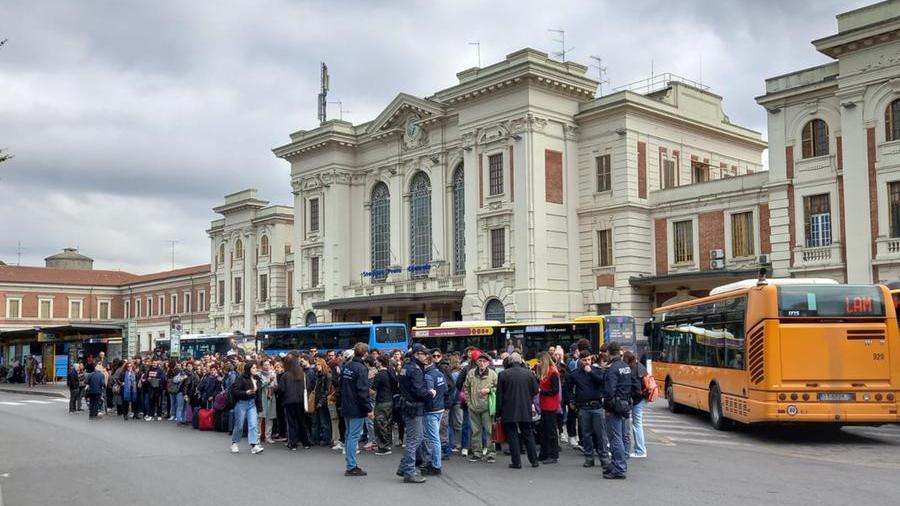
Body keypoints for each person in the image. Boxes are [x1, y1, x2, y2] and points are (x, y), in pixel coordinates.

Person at [397, 344, 436, 483]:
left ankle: (404, 468)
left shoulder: (406, 367)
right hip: (414, 407)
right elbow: (418, 391)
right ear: (416, 354)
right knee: (415, 440)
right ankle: (409, 472)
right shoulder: (415, 369)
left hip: (407, 406)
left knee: (414, 439)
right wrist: (430, 393)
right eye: (424, 354)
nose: (427, 356)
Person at [496, 352, 540, 469]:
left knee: (512, 435)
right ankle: (534, 461)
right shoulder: (529, 374)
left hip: (509, 409)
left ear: (509, 362)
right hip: (525, 408)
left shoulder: (503, 374)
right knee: (528, 433)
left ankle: (516, 462)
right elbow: (535, 391)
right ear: (521, 361)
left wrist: (498, 413)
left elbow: (499, 396)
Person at [568, 350, 609, 468]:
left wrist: (591, 372)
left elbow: (602, 382)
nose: (587, 362)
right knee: (586, 435)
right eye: (584, 360)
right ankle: (589, 457)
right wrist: (571, 401)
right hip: (583, 407)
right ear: (580, 360)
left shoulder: (598, 371)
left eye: (589, 360)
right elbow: (568, 388)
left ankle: (603, 457)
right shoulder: (575, 374)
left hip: (597, 406)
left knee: (601, 434)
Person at [602, 342, 637, 479]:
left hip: (615, 406)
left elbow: (609, 391)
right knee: (622, 436)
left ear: (609, 352)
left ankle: (619, 467)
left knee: (615, 438)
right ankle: (616, 464)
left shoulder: (612, 369)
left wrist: (608, 408)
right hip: (625, 404)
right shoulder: (625, 366)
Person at [341, 343, 373, 477]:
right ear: (365, 354)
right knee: (354, 436)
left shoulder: (346, 366)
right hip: (356, 407)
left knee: (349, 435)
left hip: (346, 405)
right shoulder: (361, 368)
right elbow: (362, 391)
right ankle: (351, 466)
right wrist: (369, 409)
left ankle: (350, 463)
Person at [464, 351, 498, 464]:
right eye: (480, 361)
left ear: (488, 363)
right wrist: (469, 402)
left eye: (484, 361)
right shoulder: (471, 373)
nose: (482, 363)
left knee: (489, 431)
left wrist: (489, 390)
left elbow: (498, 389)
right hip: (473, 407)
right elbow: (466, 388)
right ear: (477, 362)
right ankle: (477, 453)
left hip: (487, 408)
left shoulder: (493, 374)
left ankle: (491, 453)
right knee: (475, 431)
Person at [420, 351, 448, 475]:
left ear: (427, 362)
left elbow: (429, 392)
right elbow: (446, 389)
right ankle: (433, 462)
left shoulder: (428, 375)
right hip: (439, 408)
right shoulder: (439, 373)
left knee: (433, 438)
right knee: (433, 437)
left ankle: (436, 465)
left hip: (431, 409)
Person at [278, 354, 313, 451]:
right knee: (303, 422)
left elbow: (281, 389)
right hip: (302, 401)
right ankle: (306, 442)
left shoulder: (285, 375)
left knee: (291, 423)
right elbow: (309, 387)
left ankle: (293, 443)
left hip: (289, 401)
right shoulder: (303, 375)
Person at [229, 361, 264, 454]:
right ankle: (234, 443)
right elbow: (234, 391)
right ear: (248, 369)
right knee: (239, 425)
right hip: (241, 403)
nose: (255, 369)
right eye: (253, 368)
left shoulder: (258, 379)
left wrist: (259, 406)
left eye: (256, 367)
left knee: (253, 424)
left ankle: (254, 445)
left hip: (252, 404)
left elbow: (259, 395)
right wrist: (246, 392)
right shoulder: (241, 378)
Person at [537, 351, 561, 464]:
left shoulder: (553, 372)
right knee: (544, 430)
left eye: (540, 361)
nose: (539, 363)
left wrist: (542, 391)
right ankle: (544, 453)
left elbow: (555, 390)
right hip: (545, 404)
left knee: (551, 431)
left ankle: (553, 454)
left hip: (550, 405)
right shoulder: (546, 372)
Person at [624, 351, 648, 458]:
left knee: (636, 424)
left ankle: (640, 450)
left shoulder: (633, 369)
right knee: (637, 424)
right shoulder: (640, 366)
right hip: (642, 399)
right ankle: (640, 449)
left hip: (637, 400)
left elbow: (637, 388)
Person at [372, 355, 395, 455]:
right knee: (387, 423)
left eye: (377, 361)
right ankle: (388, 444)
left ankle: (383, 447)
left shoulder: (380, 374)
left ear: (380, 362)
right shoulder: (389, 373)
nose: (375, 362)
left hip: (381, 401)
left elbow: (373, 390)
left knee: (380, 424)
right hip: (389, 400)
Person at [258, 359, 278, 444]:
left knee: (270, 418)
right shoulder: (258, 374)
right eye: (265, 364)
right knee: (259, 418)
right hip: (262, 398)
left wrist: (274, 387)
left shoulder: (273, 374)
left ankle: (268, 436)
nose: (267, 366)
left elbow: (276, 384)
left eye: (268, 364)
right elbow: (259, 385)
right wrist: (268, 381)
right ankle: (257, 436)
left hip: (271, 397)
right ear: (262, 366)